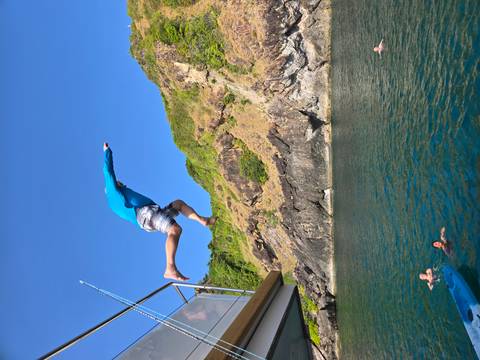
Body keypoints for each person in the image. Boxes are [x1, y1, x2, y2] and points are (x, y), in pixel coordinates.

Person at [102, 142, 215, 281]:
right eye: (120, 183)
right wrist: (107, 152)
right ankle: (170, 268)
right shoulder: (112, 194)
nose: (122, 184)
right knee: (174, 230)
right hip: (145, 214)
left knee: (178, 204)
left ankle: (203, 220)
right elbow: (108, 173)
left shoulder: (119, 196)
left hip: (152, 212)